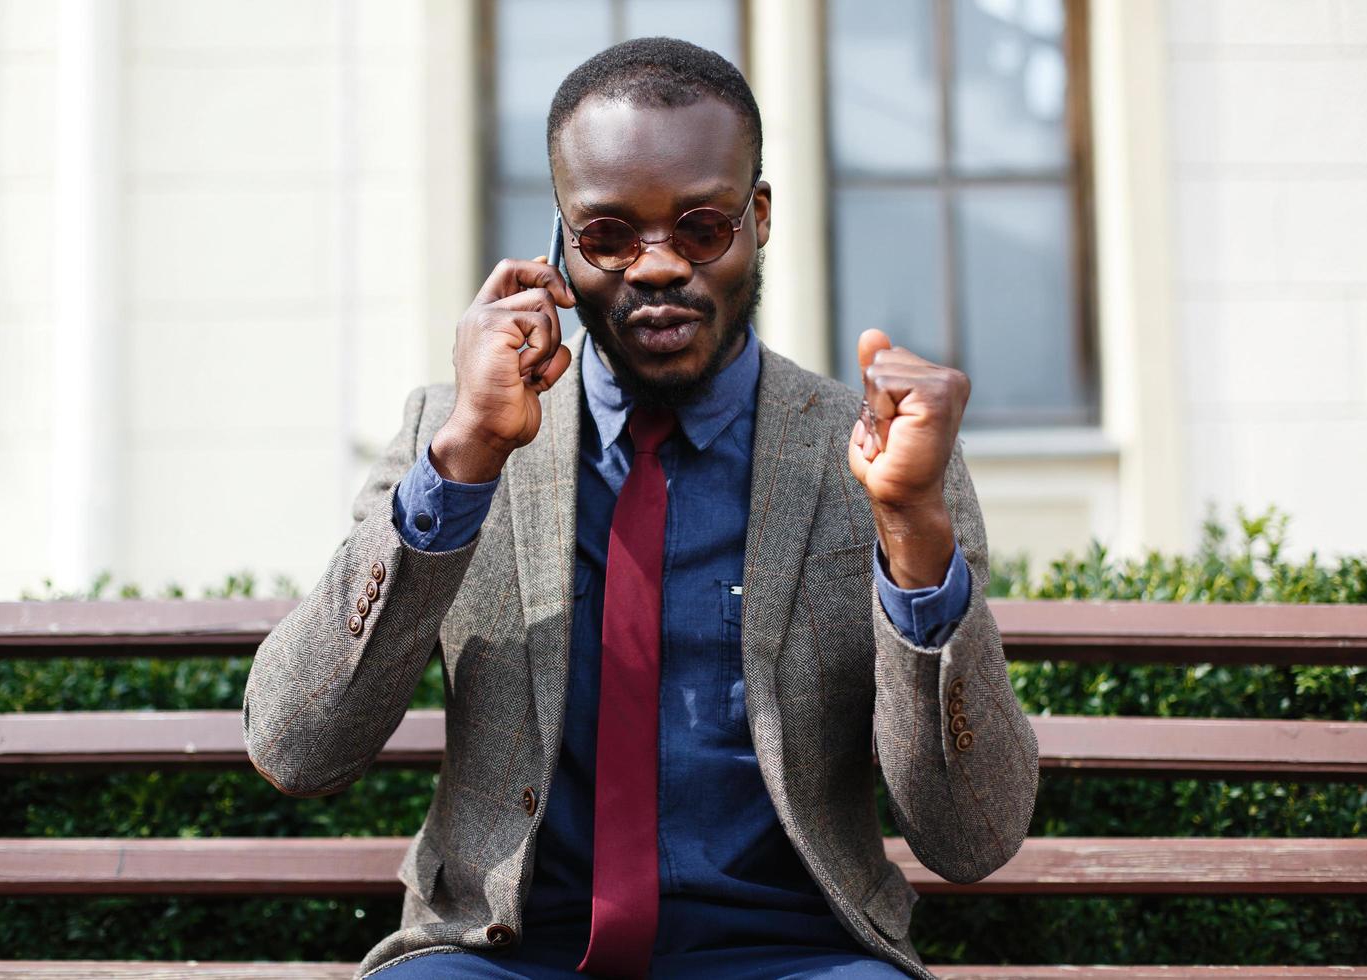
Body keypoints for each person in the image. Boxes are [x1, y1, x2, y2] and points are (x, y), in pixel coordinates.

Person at [243, 37, 1038, 980]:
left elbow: (974, 835)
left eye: (701, 227)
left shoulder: (879, 456)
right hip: (507, 958)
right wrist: (463, 461)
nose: (657, 267)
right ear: (557, 250)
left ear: (761, 218)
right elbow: (295, 748)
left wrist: (911, 532)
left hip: (791, 955)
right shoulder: (455, 436)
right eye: (610, 234)